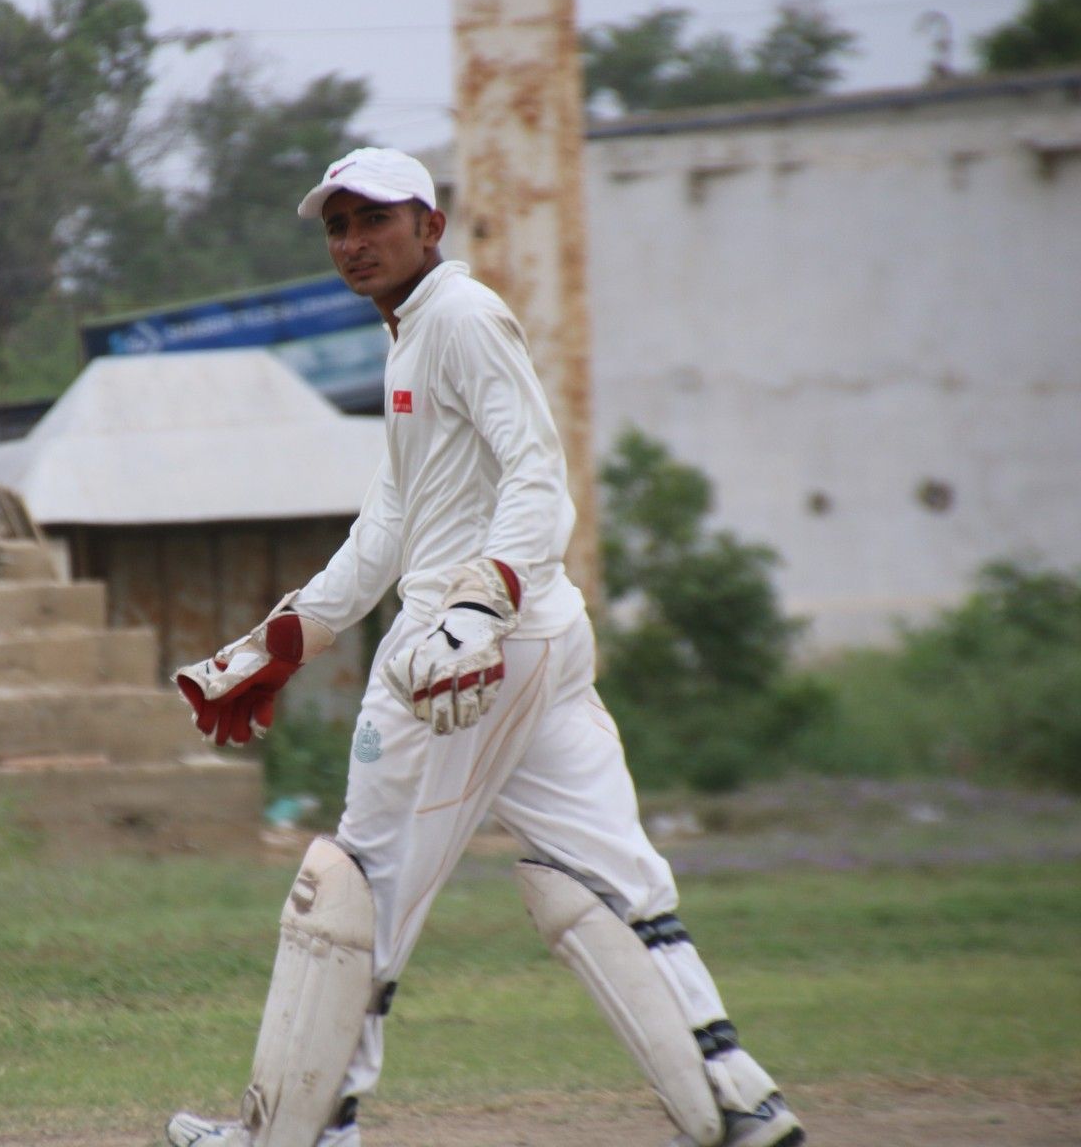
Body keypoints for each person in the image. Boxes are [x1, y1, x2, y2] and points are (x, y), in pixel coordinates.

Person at [165, 149, 804, 1147]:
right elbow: (393, 518)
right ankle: (739, 1103)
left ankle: (305, 1133)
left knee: (356, 893)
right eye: (337, 226)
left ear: (431, 226)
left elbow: (536, 473)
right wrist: (288, 638)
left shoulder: (459, 318)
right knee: (616, 887)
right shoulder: (413, 338)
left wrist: (474, 612)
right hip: (537, 645)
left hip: (458, 656)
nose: (352, 242)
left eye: (374, 220)